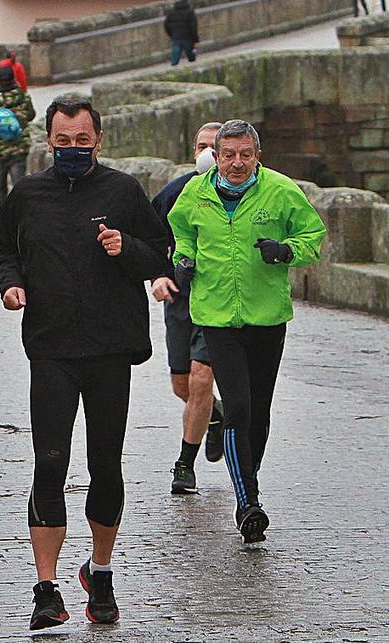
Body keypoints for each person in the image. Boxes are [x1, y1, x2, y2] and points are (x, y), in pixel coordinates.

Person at [0, 97, 168, 630]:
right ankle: (45, 589)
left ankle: (102, 573)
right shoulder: (28, 193)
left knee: (104, 465)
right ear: (49, 141)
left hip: (111, 346)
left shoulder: (124, 191)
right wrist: (12, 283)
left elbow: (161, 254)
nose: (73, 148)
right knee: (49, 461)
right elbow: (4, 248)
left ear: (100, 138)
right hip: (50, 347)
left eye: (82, 140)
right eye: (63, 141)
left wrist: (126, 248)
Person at [168, 119, 326, 543]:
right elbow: (180, 232)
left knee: (258, 412)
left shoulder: (280, 190)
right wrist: (182, 260)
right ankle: (248, 502)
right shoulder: (195, 194)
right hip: (216, 316)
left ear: (258, 156)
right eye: (228, 155)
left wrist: (286, 251)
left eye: (246, 155)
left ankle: (246, 481)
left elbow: (314, 235)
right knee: (237, 407)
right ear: (215, 157)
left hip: (267, 317)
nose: (237, 163)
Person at [149, 121, 226, 495]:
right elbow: (152, 239)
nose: (208, 154)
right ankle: (215, 415)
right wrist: (158, 277)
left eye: (215, 146)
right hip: (181, 301)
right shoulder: (174, 193)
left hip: (218, 301)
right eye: (201, 146)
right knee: (183, 385)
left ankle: (184, 464)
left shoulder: (244, 194)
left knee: (200, 379)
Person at [0, 65, 36, 209]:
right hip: (19, 149)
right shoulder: (24, 98)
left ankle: (4, 220)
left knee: (1, 188)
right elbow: (31, 116)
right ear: (13, 79)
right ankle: (19, 217)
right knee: (19, 187)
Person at [164, 0, 200, 66]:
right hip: (188, 38)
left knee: (175, 59)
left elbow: (166, 25)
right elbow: (193, 27)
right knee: (192, 56)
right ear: (188, 0)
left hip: (176, 37)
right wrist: (196, 40)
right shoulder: (190, 12)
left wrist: (171, 35)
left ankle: (173, 69)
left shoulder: (172, 12)